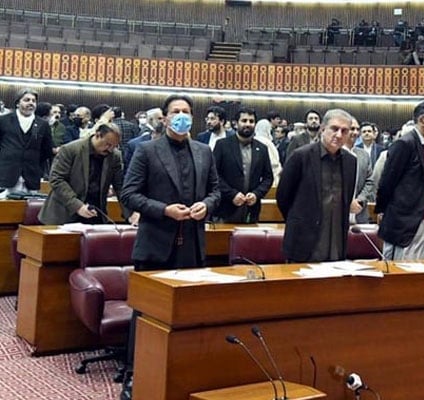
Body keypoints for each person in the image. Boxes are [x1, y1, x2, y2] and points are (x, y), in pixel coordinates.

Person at [119, 94, 220, 400]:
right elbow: (129, 194)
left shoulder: (204, 152)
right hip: (156, 243)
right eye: (175, 111)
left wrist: (207, 204)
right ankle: (136, 375)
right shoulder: (146, 150)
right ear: (164, 118)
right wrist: (164, 210)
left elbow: (216, 191)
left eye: (186, 112)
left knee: (187, 312)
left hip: (192, 243)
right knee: (147, 315)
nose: (181, 116)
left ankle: (179, 371)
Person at [276, 109, 357, 263]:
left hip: (337, 242)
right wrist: (301, 221)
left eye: (344, 131)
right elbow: (283, 197)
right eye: (334, 129)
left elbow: (346, 201)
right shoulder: (301, 156)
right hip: (304, 242)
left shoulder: (351, 162)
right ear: (322, 129)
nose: (339, 135)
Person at [375, 101, 424, 261]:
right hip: (404, 222)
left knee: (417, 274)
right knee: (401, 273)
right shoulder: (405, 144)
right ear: (421, 120)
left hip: (423, 220)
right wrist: (382, 210)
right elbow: (387, 182)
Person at [38, 123, 132, 225]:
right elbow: (57, 179)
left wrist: (130, 213)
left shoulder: (115, 156)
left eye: (114, 146)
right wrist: (77, 205)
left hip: (95, 214)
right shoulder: (70, 149)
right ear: (97, 135)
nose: (110, 149)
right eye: (108, 144)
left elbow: (120, 186)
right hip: (63, 214)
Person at [213, 107, 273, 223]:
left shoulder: (262, 148)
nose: (248, 124)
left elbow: (268, 177)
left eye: (251, 121)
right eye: (244, 120)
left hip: (251, 209)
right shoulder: (222, 145)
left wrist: (256, 194)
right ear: (236, 124)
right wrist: (232, 194)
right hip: (225, 207)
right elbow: (214, 175)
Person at [0, 88, 53, 193]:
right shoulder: (3, 121)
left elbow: (46, 150)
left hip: (31, 176)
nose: (31, 103)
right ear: (17, 103)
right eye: (27, 100)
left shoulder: (43, 124)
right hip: (6, 176)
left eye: (34, 101)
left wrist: (33, 160)